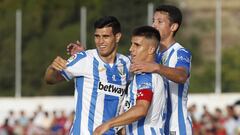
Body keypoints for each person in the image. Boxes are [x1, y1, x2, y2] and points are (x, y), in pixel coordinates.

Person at [44, 16, 131, 135]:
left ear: (117, 37)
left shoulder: (126, 63)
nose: (100, 42)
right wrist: (52, 68)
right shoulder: (84, 59)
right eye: (97, 36)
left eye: (105, 37)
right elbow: (50, 79)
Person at [130, 5, 192, 135]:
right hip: (157, 127)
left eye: (159, 21)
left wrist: (157, 67)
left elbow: (181, 75)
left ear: (173, 27)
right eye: (153, 21)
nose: (154, 25)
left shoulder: (181, 52)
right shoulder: (151, 52)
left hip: (176, 126)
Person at [93, 26, 166, 135]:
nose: (131, 49)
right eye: (132, 44)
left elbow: (141, 109)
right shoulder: (143, 74)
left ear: (151, 49)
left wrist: (108, 124)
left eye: (137, 45)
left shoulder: (145, 75)